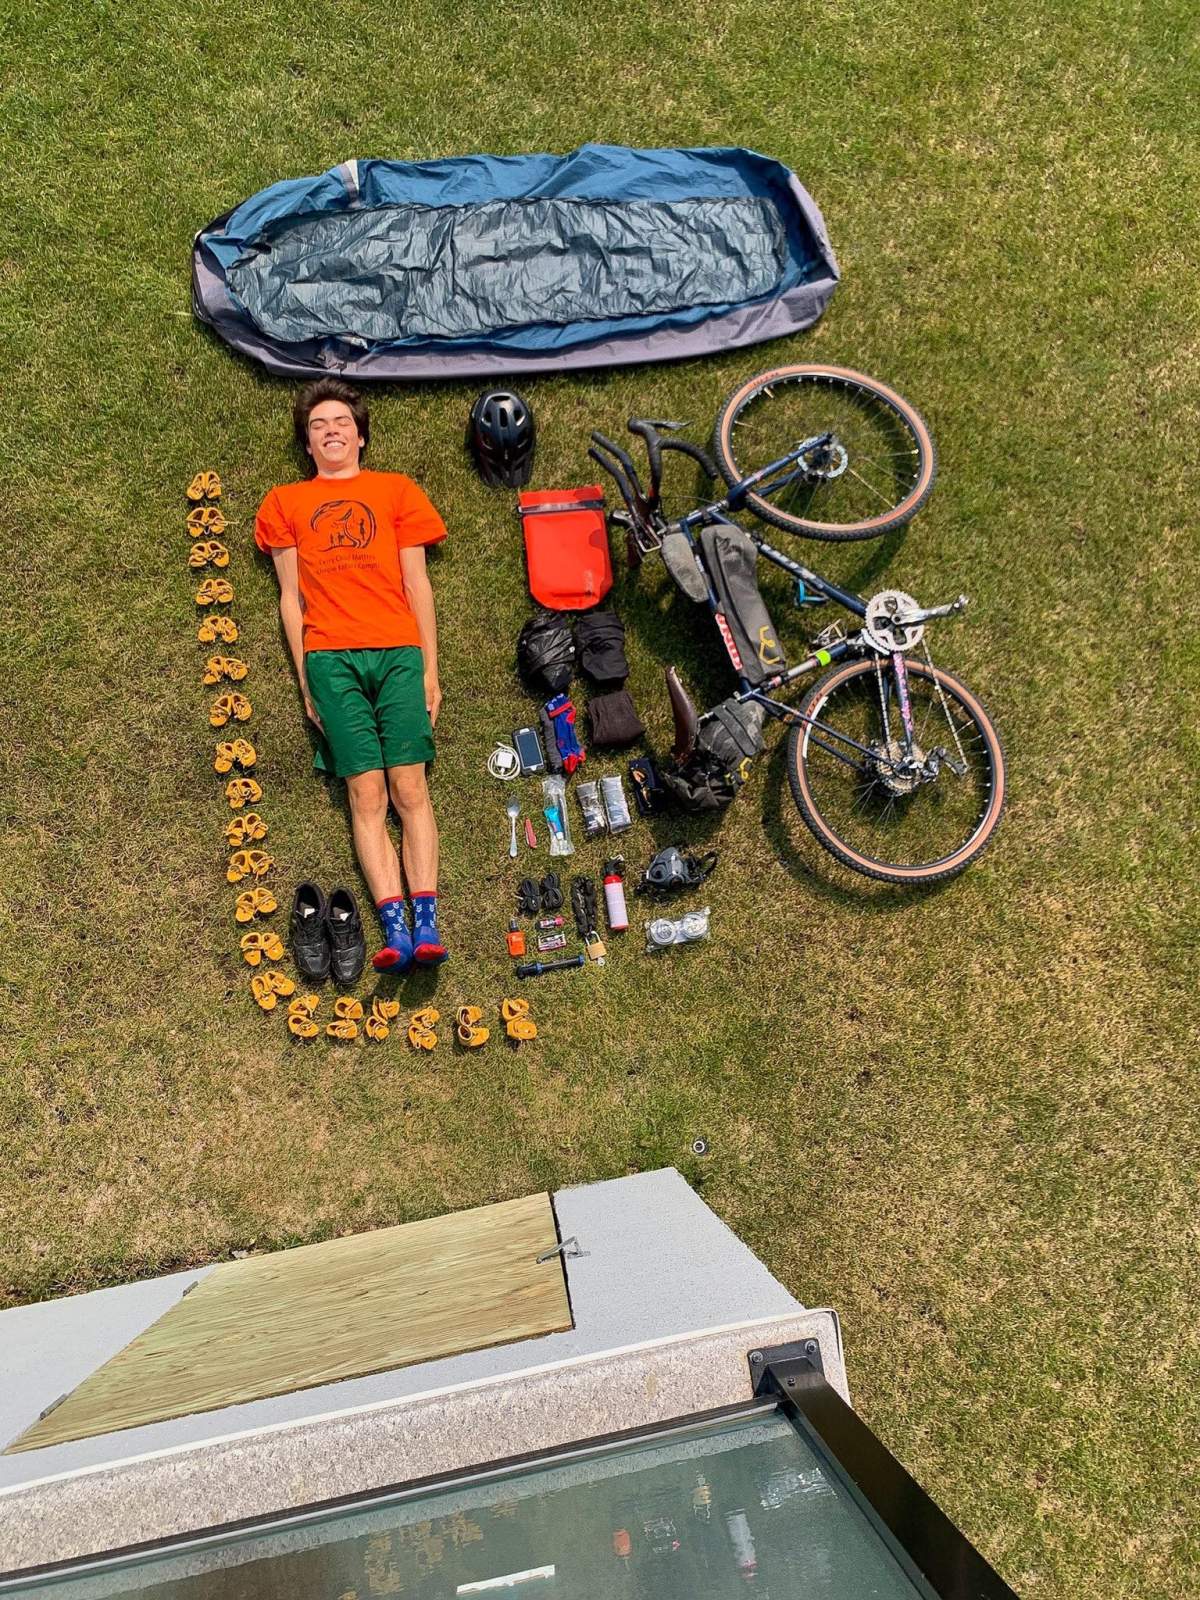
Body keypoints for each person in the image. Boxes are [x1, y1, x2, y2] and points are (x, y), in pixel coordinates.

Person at [255, 378, 448, 973]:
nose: (331, 430)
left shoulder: (395, 491)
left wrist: (430, 668)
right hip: (330, 658)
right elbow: (291, 599)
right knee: (365, 792)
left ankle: (428, 922)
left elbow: (418, 584)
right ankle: (393, 924)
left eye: (340, 422)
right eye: (318, 426)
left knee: (409, 788)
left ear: (360, 437)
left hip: (397, 651)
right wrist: (305, 679)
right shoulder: (284, 502)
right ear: (308, 447)